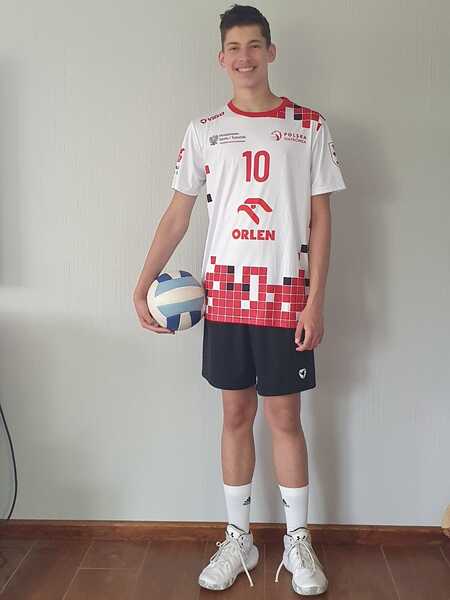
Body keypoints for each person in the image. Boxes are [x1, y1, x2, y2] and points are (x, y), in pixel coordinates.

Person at [133, 4, 346, 595]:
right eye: (234, 47)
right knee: (234, 416)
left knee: (285, 419)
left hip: (285, 297)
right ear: (221, 58)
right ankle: (239, 537)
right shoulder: (204, 131)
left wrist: (316, 300)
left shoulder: (308, 125)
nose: (245, 57)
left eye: (255, 45)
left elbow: (321, 220)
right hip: (225, 297)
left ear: (270, 52)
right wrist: (142, 283)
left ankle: (298, 541)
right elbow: (178, 215)